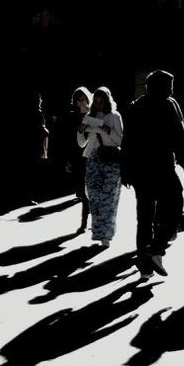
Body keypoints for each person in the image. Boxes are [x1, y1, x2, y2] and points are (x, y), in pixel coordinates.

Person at [123, 70, 184, 277]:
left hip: (139, 171)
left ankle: (145, 267)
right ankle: (156, 248)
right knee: (175, 206)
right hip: (162, 168)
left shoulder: (135, 107)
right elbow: (180, 137)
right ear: (161, 87)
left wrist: (125, 171)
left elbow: (127, 142)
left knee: (144, 217)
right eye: (169, 86)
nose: (171, 90)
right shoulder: (168, 105)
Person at [78, 87, 124, 247]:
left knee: (109, 199)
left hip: (111, 160)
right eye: (95, 102)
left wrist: (108, 130)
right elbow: (81, 143)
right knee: (94, 197)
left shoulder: (114, 116)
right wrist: (80, 131)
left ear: (106, 101)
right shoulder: (88, 117)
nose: (98, 105)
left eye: (101, 101)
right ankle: (98, 231)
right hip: (93, 159)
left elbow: (120, 141)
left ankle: (106, 235)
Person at [54, 86, 93, 233]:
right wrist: (68, 160)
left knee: (90, 189)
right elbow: (68, 141)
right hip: (77, 156)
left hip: (92, 156)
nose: (80, 102)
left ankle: (86, 221)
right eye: (77, 100)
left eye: (82, 99)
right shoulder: (72, 117)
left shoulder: (94, 115)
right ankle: (85, 218)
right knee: (82, 191)